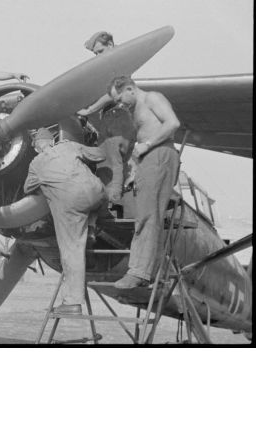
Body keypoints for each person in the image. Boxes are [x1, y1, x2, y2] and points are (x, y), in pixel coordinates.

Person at [106, 76, 181, 289]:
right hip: (149, 158)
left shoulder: (152, 98)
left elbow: (173, 123)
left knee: (148, 215)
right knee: (145, 213)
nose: (120, 104)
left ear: (130, 89)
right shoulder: (135, 107)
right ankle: (143, 270)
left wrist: (146, 145)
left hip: (159, 153)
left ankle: (139, 272)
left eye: (120, 98)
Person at [23, 128, 107, 315]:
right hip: (97, 194)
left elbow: (27, 188)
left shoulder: (36, 163)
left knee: (72, 250)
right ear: (52, 140)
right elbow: (100, 154)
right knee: (94, 200)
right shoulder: (69, 146)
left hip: (72, 205)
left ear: (36, 147)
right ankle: (92, 228)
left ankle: (72, 303)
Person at [77, 30, 116, 117]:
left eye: (101, 51)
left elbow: (115, 91)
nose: (98, 57)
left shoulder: (120, 60)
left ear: (110, 44)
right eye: (96, 54)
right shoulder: (108, 65)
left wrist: (89, 110)